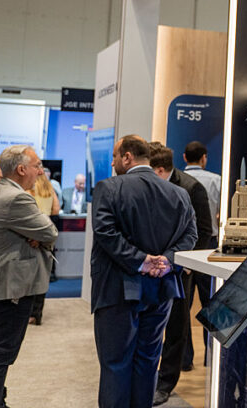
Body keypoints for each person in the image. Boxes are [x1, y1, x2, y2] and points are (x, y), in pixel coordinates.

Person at [90, 135, 197, 408]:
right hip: (161, 290)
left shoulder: (108, 187)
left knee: (115, 363)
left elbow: (105, 233)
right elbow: (190, 236)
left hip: (117, 289)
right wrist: (167, 261)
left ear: (127, 157)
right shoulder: (179, 194)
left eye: (115, 157)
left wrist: (141, 261)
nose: (113, 163)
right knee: (148, 361)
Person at [0, 145, 58, 408]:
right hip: (11, 288)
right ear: (22, 169)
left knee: (3, 351)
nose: (40, 171)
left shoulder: (2, 192)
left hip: (5, 284)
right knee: (2, 353)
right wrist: (37, 235)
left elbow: (42, 233)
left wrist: (34, 234)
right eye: (37, 165)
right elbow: (50, 231)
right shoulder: (17, 199)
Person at [149, 142, 212, 406]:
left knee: (177, 324)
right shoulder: (150, 186)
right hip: (149, 264)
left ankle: (166, 383)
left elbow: (204, 230)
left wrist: (183, 264)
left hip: (178, 267)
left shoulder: (191, 188)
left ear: (161, 169)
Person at [181, 140, 222, 369]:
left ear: (185, 158)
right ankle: (211, 359)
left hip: (184, 249)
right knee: (211, 305)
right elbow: (218, 215)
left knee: (182, 308)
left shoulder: (177, 182)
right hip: (209, 247)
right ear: (204, 157)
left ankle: (184, 360)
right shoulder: (216, 180)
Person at [26, 174, 61, 325]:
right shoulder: (49, 188)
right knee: (43, 276)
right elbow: (56, 210)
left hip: (32, 234)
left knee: (29, 277)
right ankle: (37, 313)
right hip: (47, 232)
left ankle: (27, 313)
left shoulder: (28, 189)